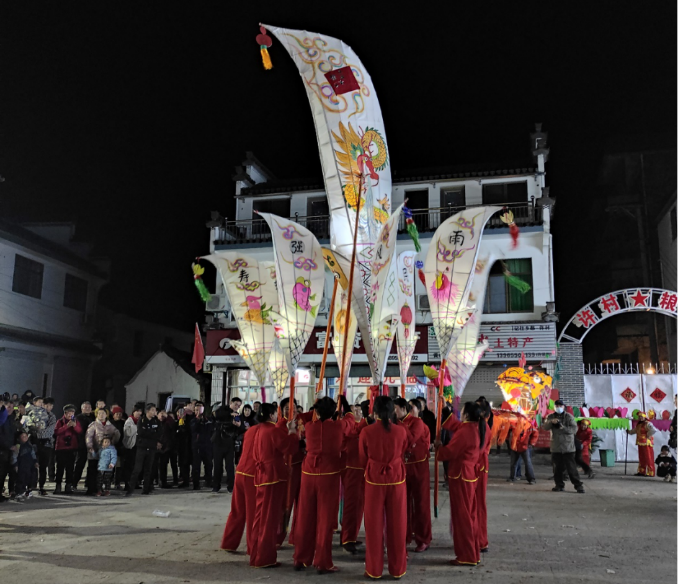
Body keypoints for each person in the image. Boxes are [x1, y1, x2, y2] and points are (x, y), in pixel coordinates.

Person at [293, 397, 353, 574]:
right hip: (329, 475)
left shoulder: (309, 427)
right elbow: (351, 422)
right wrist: (345, 407)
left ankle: (301, 558)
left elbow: (303, 417)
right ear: (334, 412)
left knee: (305, 517)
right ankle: (322, 561)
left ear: (316, 412)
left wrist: (317, 406)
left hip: (309, 473)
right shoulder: (339, 426)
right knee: (325, 520)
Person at [360, 396, 408, 579]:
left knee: (373, 526)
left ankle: (374, 569)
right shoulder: (401, 431)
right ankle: (397, 569)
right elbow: (402, 451)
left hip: (374, 480)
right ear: (392, 411)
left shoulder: (366, 432)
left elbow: (362, 457)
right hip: (396, 479)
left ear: (375, 411)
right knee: (398, 525)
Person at [436, 401, 485, 566]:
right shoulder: (476, 427)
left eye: (461, 411)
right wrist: (445, 411)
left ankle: (467, 555)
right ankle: (472, 553)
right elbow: (456, 426)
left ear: (466, 415)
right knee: (468, 515)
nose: (460, 414)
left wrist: (438, 449)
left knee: (462, 517)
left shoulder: (466, 431)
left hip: (460, 476)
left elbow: (450, 451)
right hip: (469, 475)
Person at [249, 402, 298, 569]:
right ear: (271, 415)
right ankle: (264, 557)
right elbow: (290, 448)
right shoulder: (273, 430)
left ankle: (256, 554)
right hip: (273, 476)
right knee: (269, 518)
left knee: (260, 516)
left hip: (262, 475)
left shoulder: (258, 430)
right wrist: (292, 432)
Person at [394, 397, 432, 553]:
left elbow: (409, 440)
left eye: (395, 409)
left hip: (418, 467)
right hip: (402, 467)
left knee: (421, 504)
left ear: (404, 409)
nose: (393, 412)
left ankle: (424, 538)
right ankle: (405, 536)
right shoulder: (395, 423)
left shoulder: (417, 423)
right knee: (403, 504)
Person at [221, 420, 262, 554]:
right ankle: (253, 547)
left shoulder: (249, 431)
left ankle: (229, 543)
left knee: (237, 511)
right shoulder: (268, 431)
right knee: (252, 514)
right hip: (252, 474)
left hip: (240, 471)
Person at [340, 399, 368, 555]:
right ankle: (347, 538)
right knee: (351, 505)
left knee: (359, 506)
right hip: (351, 470)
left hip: (363, 471)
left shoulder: (364, 424)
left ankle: (352, 535)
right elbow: (351, 432)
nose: (357, 412)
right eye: (353, 410)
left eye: (358, 410)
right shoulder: (348, 426)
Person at [276, 397, 304, 546]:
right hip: (287, 468)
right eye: (287, 408)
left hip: (301, 467)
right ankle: (279, 536)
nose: (290, 410)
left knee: (301, 504)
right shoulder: (280, 426)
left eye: (293, 407)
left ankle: (296, 537)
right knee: (285, 504)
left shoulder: (301, 423)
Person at [543, 400, 584, 493]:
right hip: (556, 447)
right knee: (557, 469)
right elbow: (545, 427)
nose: (558, 407)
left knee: (571, 468)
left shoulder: (569, 417)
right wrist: (551, 422)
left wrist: (562, 427)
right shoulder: (550, 416)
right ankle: (559, 485)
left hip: (568, 447)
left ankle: (578, 486)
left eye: (560, 406)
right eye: (556, 405)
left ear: (564, 407)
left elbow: (574, 430)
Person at [127, 404, 162, 496]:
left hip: (152, 448)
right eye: (153, 410)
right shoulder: (141, 420)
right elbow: (141, 432)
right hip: (142, 447)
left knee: (148, 469)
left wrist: (150, 433)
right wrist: (151, 433)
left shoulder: (156, 421)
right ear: (148, 411)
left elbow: (159, 433)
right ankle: (130, 489)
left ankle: (146, 489)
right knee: (137, 469)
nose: (155, 412)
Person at [474, 397, 494, 555]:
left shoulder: (482, 428)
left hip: (477, 468)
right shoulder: (480, 426)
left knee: (478, 504)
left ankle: (480, 540)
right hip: (477, 467)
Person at [85, 409, 121, 495]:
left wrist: (112, 442)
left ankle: (102, 489)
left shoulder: (110, 425)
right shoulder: (93, 425)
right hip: (95, 451)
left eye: (103, 413)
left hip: (105, 454)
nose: (101, 415)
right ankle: (92, 489)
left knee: (103, 474)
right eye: (99, 413)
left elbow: (116, 433)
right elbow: (88, 436)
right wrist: (90, 446)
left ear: (106, 415)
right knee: (93, 471)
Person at [212, 398, 243, 493]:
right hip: (219, 441)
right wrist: (230, 416)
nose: (237, 407)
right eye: (236, 404)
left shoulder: (237, 415)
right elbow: (216, 415)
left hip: (229, 442)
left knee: (230, 466)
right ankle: (216, 486)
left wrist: (238, 425)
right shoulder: (223, 410)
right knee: (217, 465)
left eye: (239, 405)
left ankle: (231, 486)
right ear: (231, 403)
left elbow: (240, 429)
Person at [53, 404, 83, 494]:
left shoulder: (76, 421)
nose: (71, 414)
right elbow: (56, 432)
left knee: (70, 468)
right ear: (65, 413)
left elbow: (79, 431)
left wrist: (74, 426)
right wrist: (66, 426)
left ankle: (68, 485)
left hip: (72, 447)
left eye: (72, 412)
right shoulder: (60, 421)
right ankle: (58, 485)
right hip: (61, 448)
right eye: (69, 412)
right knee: (60, 468)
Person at [190, 401, 213, 490]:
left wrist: (205, 420)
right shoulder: (193, 420)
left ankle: (209, 481)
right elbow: (193, 429)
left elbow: (211, 429)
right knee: (196, 466)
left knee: (209, 464)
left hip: (207, 445)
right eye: (196, 410)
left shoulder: (208, 420)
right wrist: (198, 420)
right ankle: (196, 484)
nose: (198, 412)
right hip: (197, 446)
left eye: (200, 409)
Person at [507, 417, 538, 484]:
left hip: (525, 447)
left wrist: (531, 443)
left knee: (527, 463)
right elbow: (507, 431)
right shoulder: (513, 424)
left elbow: (535, 434)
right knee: (513, 463)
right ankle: (512, 477)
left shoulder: (529, 426)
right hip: (515, 446)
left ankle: (531, 479)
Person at [73, 401, 95, 489]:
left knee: (92, 465)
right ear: (82, 408)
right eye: (85, 407)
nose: (87, 409)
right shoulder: (78, 418)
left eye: (89, 407)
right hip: (81, 444)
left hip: (92, 444)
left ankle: (89, 483)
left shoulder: (93, 417)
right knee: (80, 464)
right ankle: (74, 483)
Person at [627, 411, 656, 477]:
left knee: (648, 458)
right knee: (641, 458)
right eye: (639, 417)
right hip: (640, 443)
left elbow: (654, 430)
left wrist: (649, 435)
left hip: (647, 443)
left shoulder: (648, 424)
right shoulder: (639, 424)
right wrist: (629, 431)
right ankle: (642, 471)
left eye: (642, 417)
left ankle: (650, 472)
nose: (640, 418)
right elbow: (635, 431)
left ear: (644, 417)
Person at [122, 403, 143, 490]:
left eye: (140, 411)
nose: (139, 413)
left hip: (139, 446)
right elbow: (128, 433)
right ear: (133, 412)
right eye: (137, 411)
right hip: (130, 446)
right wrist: (137, 427)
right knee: (129, 466)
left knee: (137, 466)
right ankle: (128, 483)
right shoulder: (129, 421)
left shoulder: (141, 420)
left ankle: (135, 482)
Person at [13, 430, 38, 501]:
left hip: (29, 465)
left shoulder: (30, 446)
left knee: (29, 478)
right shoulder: (18, 446)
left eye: (25, 436)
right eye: (22, 436)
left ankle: (27, 491)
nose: (24, 438)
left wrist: (35, 462)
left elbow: (33, 454)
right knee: (21, 479)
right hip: (21, 466)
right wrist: (15, 465)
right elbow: (14, 456)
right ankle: (19, 493)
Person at [157, 409, 178, 488]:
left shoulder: (168, 423)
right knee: (162, 465)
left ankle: (173, 480)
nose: (162, 416)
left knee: (172, 464)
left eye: (163, 414)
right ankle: (162, 481)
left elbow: (173, 426)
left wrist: (168, 417)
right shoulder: (157, 423)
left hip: (170, 447)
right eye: (160, 414)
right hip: (161, 447)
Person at [176, 403, 195, 487]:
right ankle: (185, 480)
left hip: (190, 444)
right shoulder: (179, 420)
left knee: (189, 462)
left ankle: (193, 480)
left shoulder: (191, 418)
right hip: (181, 444)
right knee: (183, 463)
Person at [0, 395, 15, 502]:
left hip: (9, 451)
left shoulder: (11, 419)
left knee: (4, 473)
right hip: (3, 449)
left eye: (11, 407)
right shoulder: (2, 419)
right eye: (7, 407)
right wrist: (8, 446)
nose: (9, 409)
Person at [110, 406, 126, 489]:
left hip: (120, 447)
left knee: (119, 467)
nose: (118, 415)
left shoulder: (123, 423)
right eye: (117, 414)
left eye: (120, 414)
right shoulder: (110, 423)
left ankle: (117, 483)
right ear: (113, 415)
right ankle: (108, 483)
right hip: (111, 447)